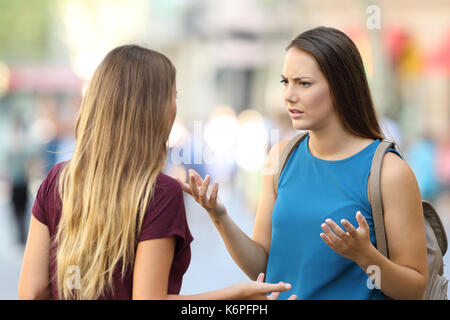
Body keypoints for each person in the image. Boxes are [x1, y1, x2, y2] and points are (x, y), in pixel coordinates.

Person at [18, 45, 296, 300]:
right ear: (153, 109)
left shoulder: (58, 180)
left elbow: (31, 293)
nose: (175, 106)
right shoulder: (160, 193)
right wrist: (235, 296)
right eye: (172, 96)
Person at [179, 27, 428, 300]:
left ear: (340, 88)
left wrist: (364, 256)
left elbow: (414, 289)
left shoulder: (388, 172)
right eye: (285, 81)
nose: (288, 95)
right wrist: (219, 215)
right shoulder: (281, 157)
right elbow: (262, 267)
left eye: (304, 83)